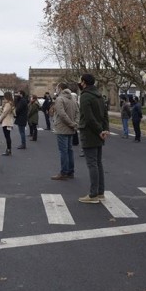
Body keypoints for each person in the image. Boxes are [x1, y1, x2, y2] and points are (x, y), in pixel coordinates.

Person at [77, 73, 109, 203]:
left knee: (92, 164)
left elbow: (88, 117)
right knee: (98, 163)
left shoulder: (85, 96)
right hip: (99, 133)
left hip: (90, 133)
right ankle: (100, 192)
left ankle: (93, 195)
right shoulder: (99, 95)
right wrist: (104, 130)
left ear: (84, 82)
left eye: (80, 80)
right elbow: (105, 115)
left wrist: (100, 130)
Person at [50, 82, 79, 181]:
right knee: (69, 150)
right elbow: (77, 112)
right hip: (71, 128)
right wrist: (75, 124)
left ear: (60, 88)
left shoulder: (60, 99)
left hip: (62, 128)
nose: (56, 90)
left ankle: (64, 172)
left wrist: (71, 123)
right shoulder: (73, 98)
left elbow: (62, 115)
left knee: (63, 151)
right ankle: (70, 171)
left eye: (57, 88)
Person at [0, 91, 15, 156]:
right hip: (9, 121)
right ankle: (8, 149)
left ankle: (8, 150)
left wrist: (0, 120)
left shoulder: (8, 104)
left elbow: (4, 113)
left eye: (4, 97)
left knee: (7, 136)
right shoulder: (11, 103)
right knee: (7, 136)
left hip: (6, 122)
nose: (3, 98)